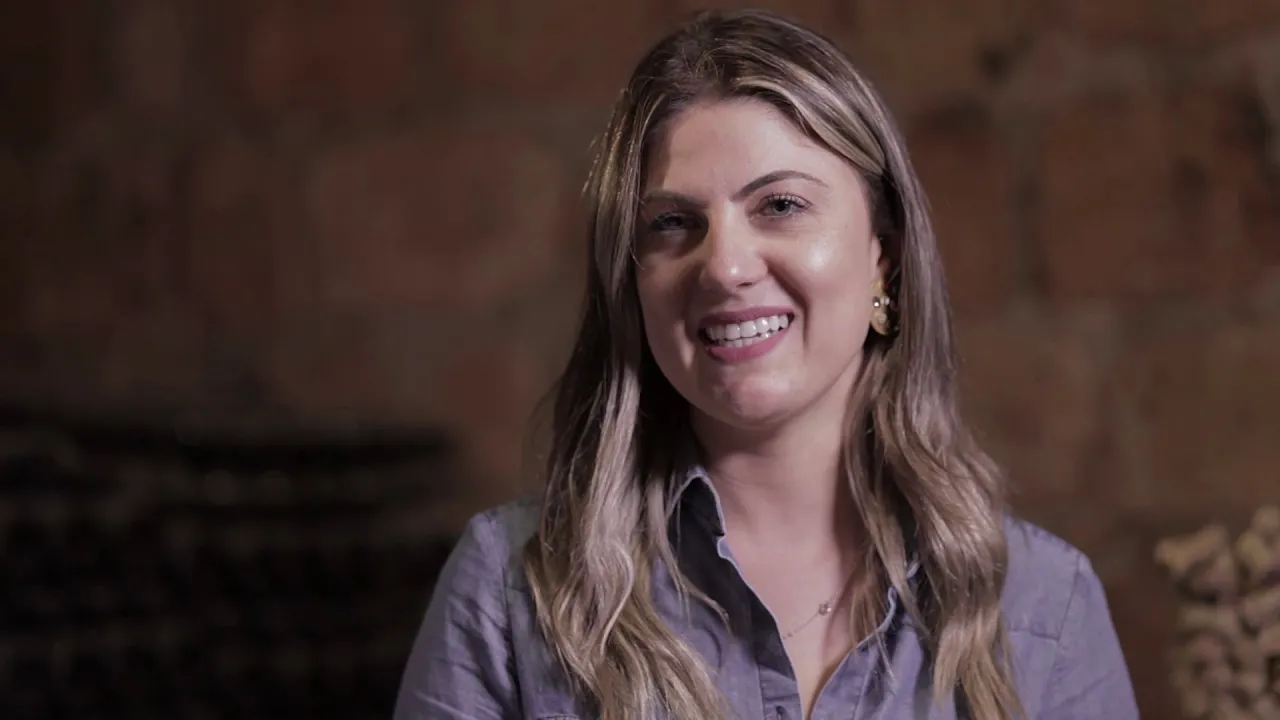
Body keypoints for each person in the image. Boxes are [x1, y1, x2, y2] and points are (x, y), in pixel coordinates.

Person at [394, 8, 1138, 720]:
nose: (724, 267)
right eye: (673, 223)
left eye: (780, 206)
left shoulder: (1047, 609)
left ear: (883, 257)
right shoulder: (510, 588)